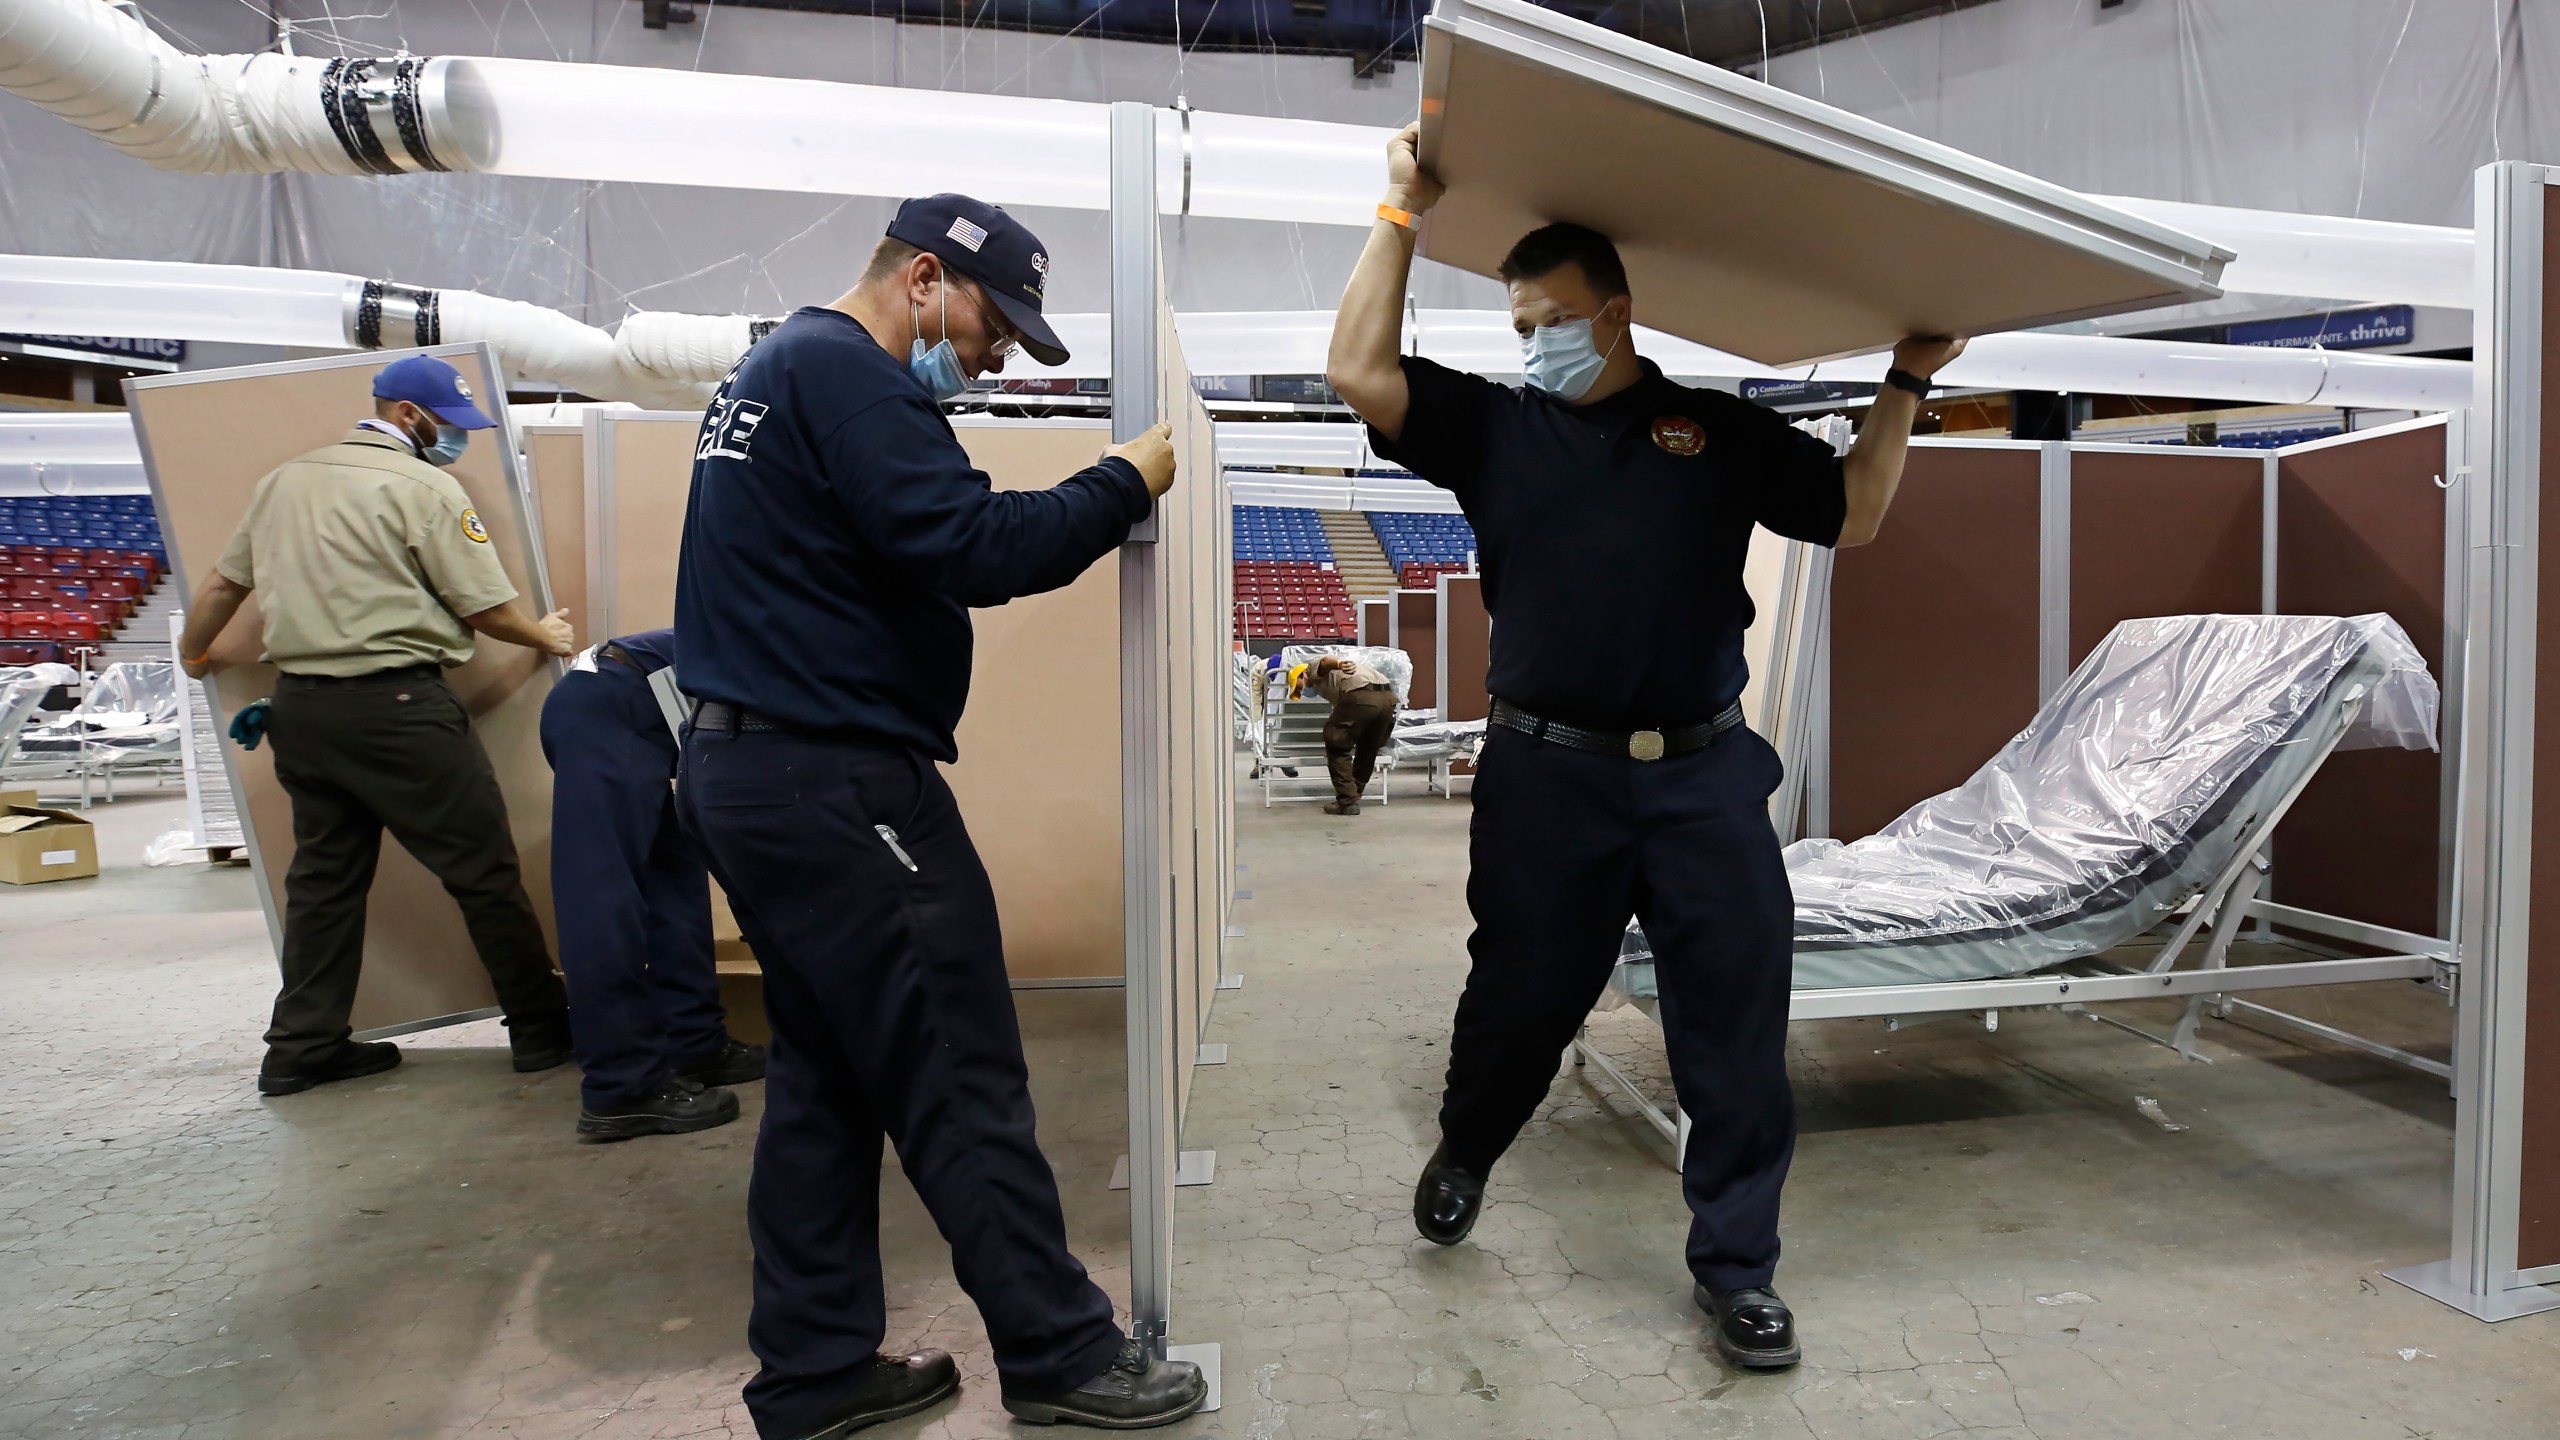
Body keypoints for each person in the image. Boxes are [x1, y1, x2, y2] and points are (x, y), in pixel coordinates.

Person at [1326, 125, 1966, 1371]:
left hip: (1701, 775)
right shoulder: (1493, 429)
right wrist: (1400, 211)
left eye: (1552, 319)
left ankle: (1738, 1271)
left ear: (1615, 311)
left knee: (1731, 1022)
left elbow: (1859, 510)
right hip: (1544, 775)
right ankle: (1468, 1145)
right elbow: (1355, 365)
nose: (1534, 344)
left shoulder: (1714, 435)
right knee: (1518, 1001)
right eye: (1518, 328)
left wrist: (1905, 379)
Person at [671, 194, 1207, 1438]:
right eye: (992, 323)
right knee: (958, 1065)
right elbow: (969, 544)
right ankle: (1059, 1352)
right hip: (837, 786)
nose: (997, 354)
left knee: (829, 1081)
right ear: (923, 278)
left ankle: (812, 1374)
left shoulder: (772, 369)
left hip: (756, 773)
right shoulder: (848, 376)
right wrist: (1122, 480)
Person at [177, 353, 581, 1098]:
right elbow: (482, 607)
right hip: (397, 711)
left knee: (325, 884)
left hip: (301, 710)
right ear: (406, 415)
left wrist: (195, 654)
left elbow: (219, 585)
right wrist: (543, 637)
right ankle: (540, 1028)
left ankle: (302, 1046)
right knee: (482, 871)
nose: (453, 439)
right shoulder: (425, 487)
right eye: (448, 425)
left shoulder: (283, 481)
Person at [539, 627, 765, 1143]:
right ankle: (622, 1087)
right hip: (610, 700)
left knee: (676, 883)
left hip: (654, 716)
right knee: (602, 893)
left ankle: (695, 1043)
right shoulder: (811, 656)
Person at [1308, 652, 1396, 815]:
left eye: (1299, 685)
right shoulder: (1334, 683)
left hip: (1361, 695)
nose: (1304, 689)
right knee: (1369, 747)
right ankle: (1354, 794)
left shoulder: (1311, 669)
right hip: (1388, 699)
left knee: (1336, 742)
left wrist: (1339, 663)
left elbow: (1326, 661)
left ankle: (1347, 801)